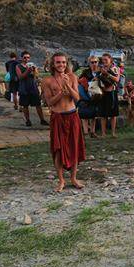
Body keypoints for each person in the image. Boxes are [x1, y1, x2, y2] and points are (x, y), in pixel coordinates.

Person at [41, 52, 85, 192]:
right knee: (58, 149)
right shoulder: (47, 81)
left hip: (72, 116)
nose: (61, 65)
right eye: (58, 62)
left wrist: (68, 86)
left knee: (74, 147)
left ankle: (73, 178)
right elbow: (49, 102)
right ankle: (61, 180)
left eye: (64, 62)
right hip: (58, 117)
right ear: (53, 64)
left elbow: (77, 98)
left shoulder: (72, 77)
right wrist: (61, 92)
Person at [16, 51, 47, 126]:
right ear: (22, 58)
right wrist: (27, 70)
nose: (26, 59)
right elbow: (20, 77)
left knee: (38, 105)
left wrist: (34, 70)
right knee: (25, 105)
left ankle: (42, 120)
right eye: (25, 57)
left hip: (33, 87)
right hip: (24, 89)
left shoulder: (32, 65)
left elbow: (36, 76)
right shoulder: (18, 66)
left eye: (28, 57)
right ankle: (28, 121)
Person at [97, 53, 121, 138]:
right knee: (103, 114)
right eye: (102, 60)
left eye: (105, 60)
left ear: (110, 59)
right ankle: (103, 134)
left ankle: (113, 133)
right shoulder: (101, 68)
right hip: (103, 93)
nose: (104, 61)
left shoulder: (115, 68)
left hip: (112, 93)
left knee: (113, 114)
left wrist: (107, 73)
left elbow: (117, 80)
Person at [77, 56, 100, 137]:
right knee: (84, 114)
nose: (94, 64)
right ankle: (86, 132)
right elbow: (79, 81)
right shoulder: (85, 72)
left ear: (98, 62)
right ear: (89, 63)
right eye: (92, 62)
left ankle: (93, 132)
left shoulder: (100, 72)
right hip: (86, 95)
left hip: (96, 95)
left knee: (94, 115)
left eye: (95, 62)